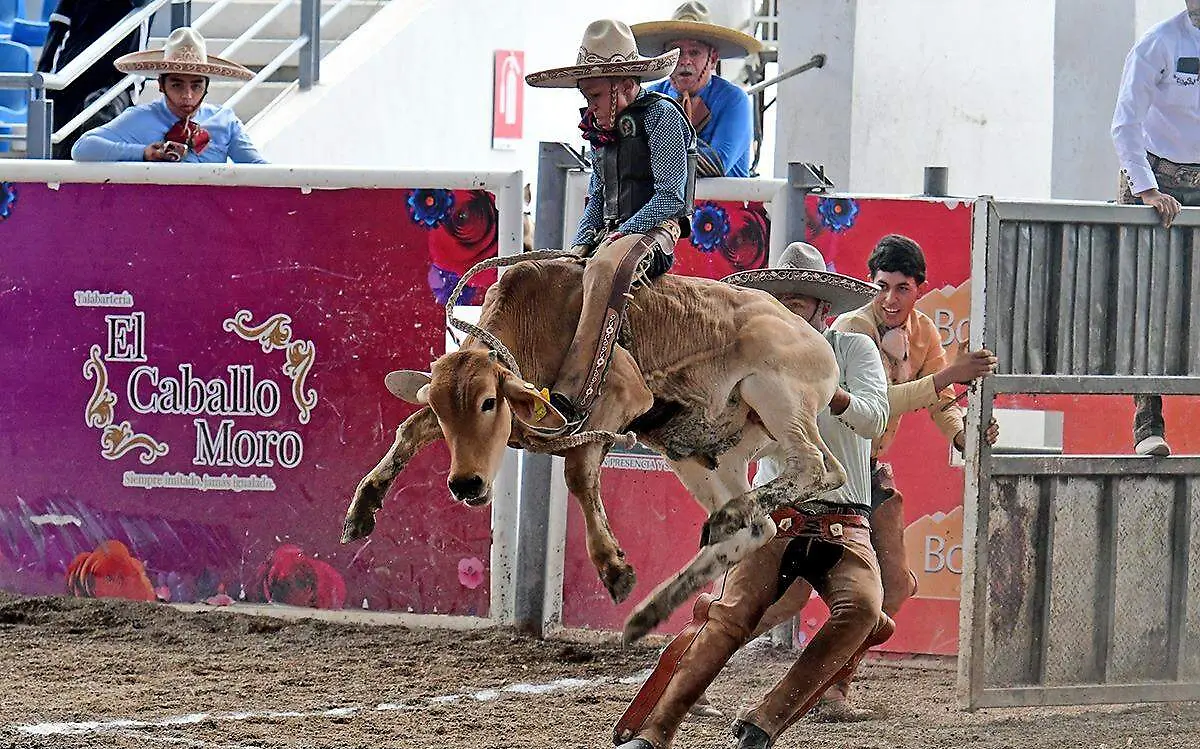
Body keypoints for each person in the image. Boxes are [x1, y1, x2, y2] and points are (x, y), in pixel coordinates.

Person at [612, 242, 893, 749]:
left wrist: (819, 386)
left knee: (864, 609)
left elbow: (876, 416)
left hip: (843, 516)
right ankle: (655, 734)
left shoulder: (853, 350)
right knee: (731, 619)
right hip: (775, 512)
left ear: (822, 310)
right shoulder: (749, 352)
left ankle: (762, 724)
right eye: (777, 299)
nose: (786, 310)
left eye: (799, 302)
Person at [792, 233, 995, 721]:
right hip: (824, 475)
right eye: (881, 286)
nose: (889, 298)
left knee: (894, 590)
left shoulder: (925, 334)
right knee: (779, 598)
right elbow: (879, 408)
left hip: (868, 477)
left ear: (919, 289)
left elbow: (941, 405)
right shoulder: (850, 330)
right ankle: (703, 643)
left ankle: (834, 683)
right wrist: (948, 379)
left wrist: (965, 436)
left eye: (901, 288)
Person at [524, 19, 697, 435]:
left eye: (596, 95)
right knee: (556, 271)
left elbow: (672, 197)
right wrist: (578, 246)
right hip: (616, 233)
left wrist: (619, 235)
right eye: (587, 97)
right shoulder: (600, 130)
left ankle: (571, 392)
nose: (591, 106)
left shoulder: (662, 117)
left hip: (657, 230)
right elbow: (597, 197)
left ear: (622, 84)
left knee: (603, 269)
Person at [1110, 0, 1200, 456]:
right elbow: (1124, 123)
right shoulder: (1158, 43)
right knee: (1148, 302)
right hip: (1154, 176)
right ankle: (1147, 425)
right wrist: (1147, 192)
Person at [72, 27, 266, 164]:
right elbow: (82, 148)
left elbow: (258, 167)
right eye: (177, 85)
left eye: (196, 86)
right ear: (161, 85)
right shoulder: (139, 117)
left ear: (207, 86)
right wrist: (143, 152)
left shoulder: (225, 121)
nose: (188, 96)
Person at [631, 1, 758, 177]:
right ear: (665, 58)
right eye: (676, 52)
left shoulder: (734, 100)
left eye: (694, 52)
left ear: (712, 59)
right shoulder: (649, 97)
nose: (685, 61)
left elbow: (715, 164)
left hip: (720, 203)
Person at [38, 0, 150, 159]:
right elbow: (58, 32)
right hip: (69, 80)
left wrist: (131, 90)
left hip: (112, 84)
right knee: (60, 159)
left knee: (99, 153)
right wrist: (47, 81)